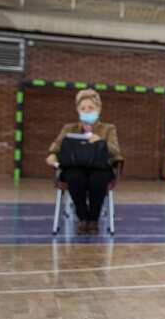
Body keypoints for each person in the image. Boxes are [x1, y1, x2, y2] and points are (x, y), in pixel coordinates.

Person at [46, 89, 122, 236]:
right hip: (75, 167)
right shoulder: (69, 128)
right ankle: (82, 218)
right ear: (78, 110)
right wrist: (52, 157)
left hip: (100, 167)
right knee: (75, 177)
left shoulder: (108, 128)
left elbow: (115, 151)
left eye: (91, 108)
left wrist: (100, 140)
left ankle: (93, 219)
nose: (87, 111)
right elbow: (55, 148)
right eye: (83, 108)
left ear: (99, 109)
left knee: (98, 179)